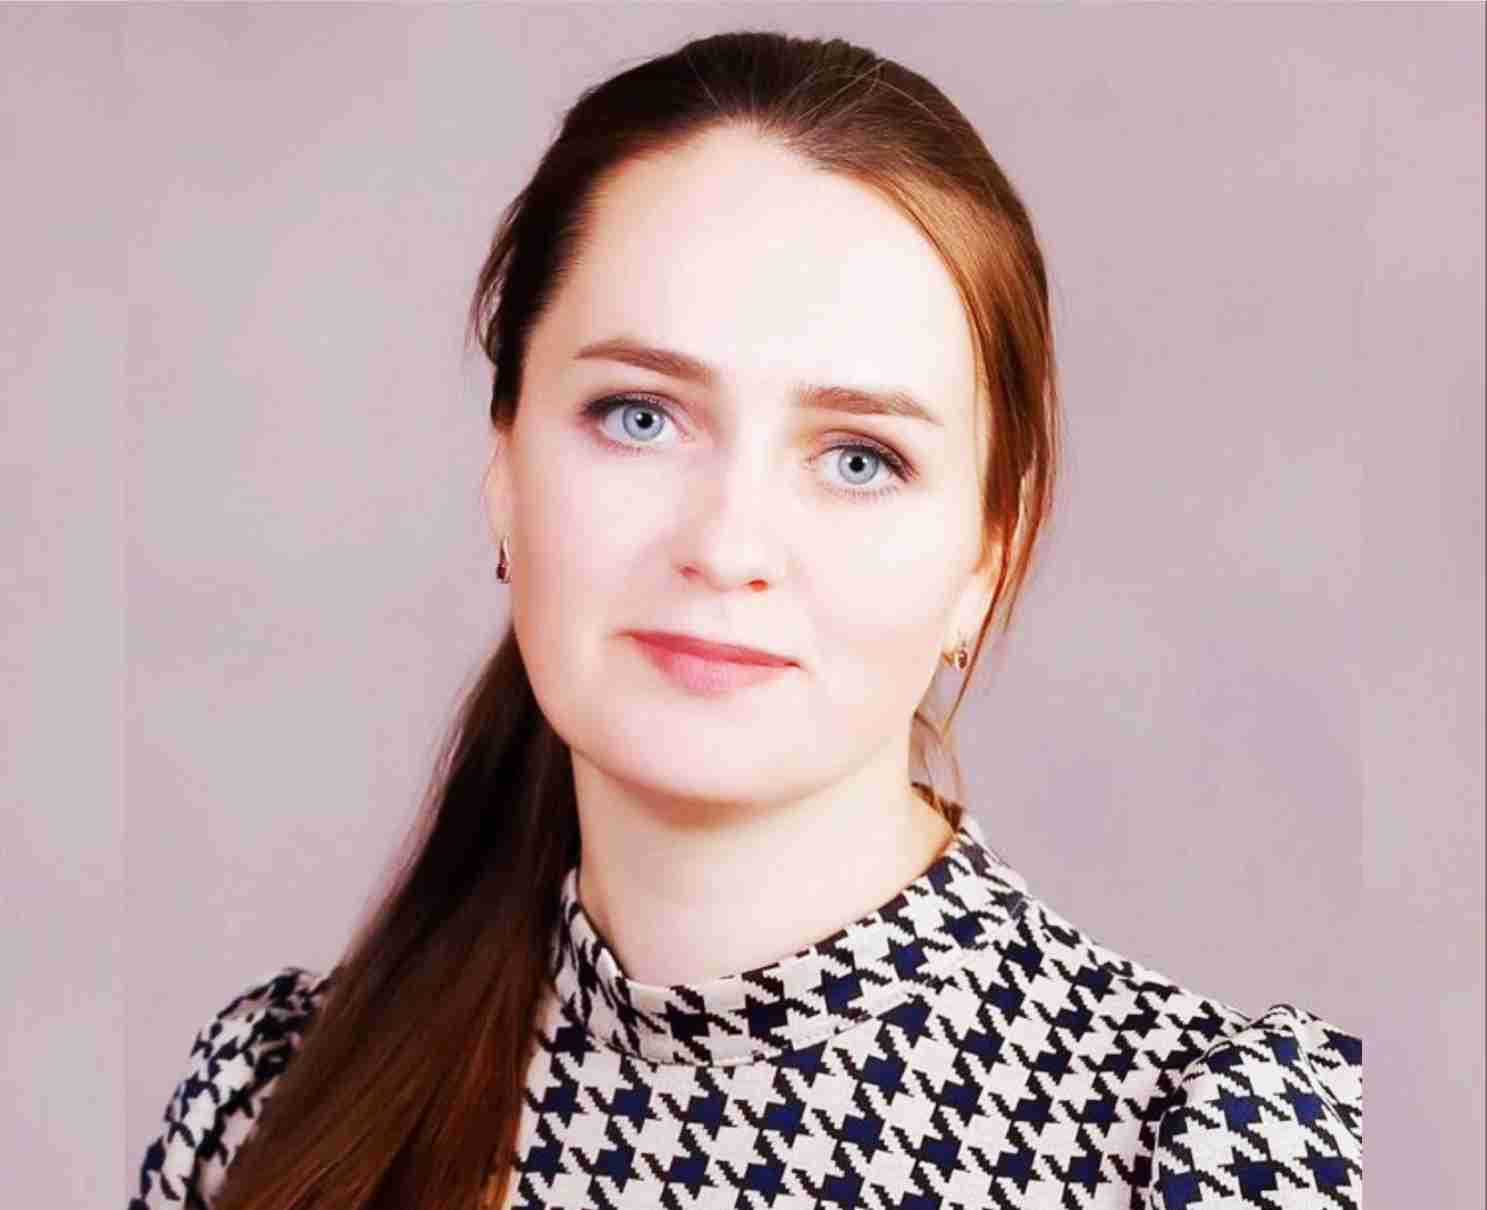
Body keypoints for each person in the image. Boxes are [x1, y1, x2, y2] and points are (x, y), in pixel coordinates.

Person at [128, 30, 1362, 1210]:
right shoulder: (271, 1104)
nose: (725, 546)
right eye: (639, 416)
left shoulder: (1218, 1151)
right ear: (503, 463)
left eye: (858, 458)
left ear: (987, 554)